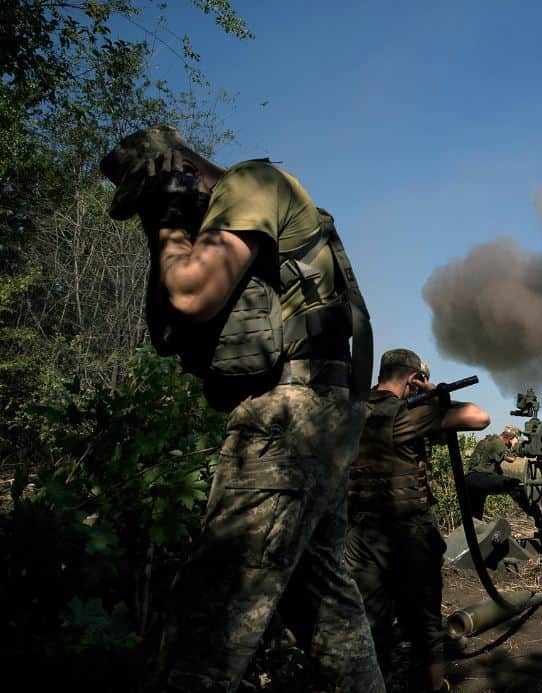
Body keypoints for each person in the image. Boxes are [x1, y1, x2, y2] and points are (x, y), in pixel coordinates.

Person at [101, 125, 384, 692]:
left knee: (210, 615)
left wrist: (169, 221)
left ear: (174, 170)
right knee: (324, 606)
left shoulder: (250, 184)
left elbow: (190, 291)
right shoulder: (266, 196)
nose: (147, 215)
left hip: (288, 417)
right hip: (321, 414)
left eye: (147, 195)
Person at [345, 348, 489, 692]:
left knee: (370, 620)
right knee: (425, 623)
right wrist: (432, 393)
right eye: (417, 382)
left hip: (359, 536)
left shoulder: (353, 409)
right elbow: (479, 417)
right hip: (409, 536)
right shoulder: (408, 413)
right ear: (413, 378)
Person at [464, 425, 534, 521]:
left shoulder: (487, 441)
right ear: (510, 438)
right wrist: (514, 446)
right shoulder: (498, 443)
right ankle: (533, 513)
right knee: (515, 484)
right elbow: (511, 459)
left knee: (475, 515)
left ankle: (474, 532)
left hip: (470, 480)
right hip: (481, 477)